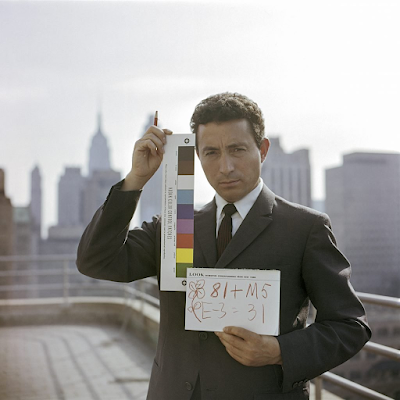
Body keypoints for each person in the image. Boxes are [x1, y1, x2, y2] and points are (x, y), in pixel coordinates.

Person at [77, 92, 371, 399]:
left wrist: (279, 351)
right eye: (211, 153)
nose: (225, 166)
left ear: (263, 149)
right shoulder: (176, 225)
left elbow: (350, 325)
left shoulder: (305, 228)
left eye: (237, 149)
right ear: (198, 156)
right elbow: (94, 260)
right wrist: (136, 179)